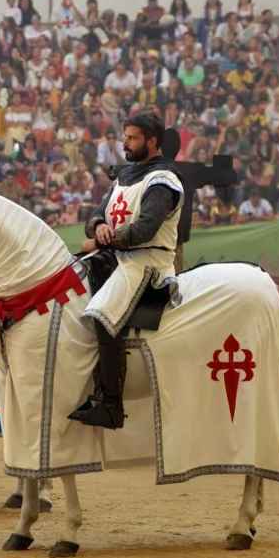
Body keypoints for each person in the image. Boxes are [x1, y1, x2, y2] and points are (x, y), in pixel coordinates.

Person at [73, 112, 183, 429]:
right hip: (118, 257)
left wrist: (105, 240)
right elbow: (96, 215)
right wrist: (99, 226)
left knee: (103, 316)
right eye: (125, 137)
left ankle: (109, 405)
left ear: (152, 141)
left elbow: (146, 229)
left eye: (133, 138)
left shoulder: (163, 180)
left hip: (148, 263)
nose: (126, 143)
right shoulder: (126, 175)